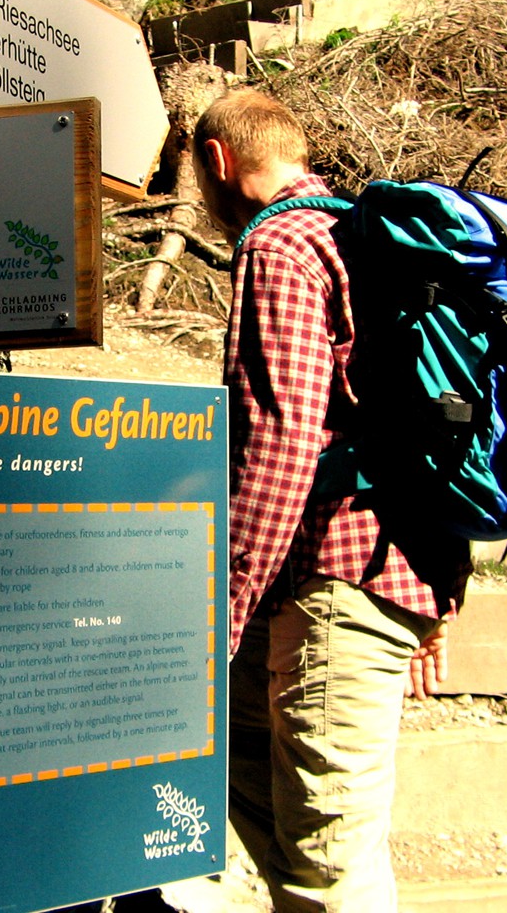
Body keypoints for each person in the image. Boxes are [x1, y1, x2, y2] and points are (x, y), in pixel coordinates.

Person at [194, 88, 463, 912]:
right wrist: (438, 592)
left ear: (216, 163)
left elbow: (280, 443)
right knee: (242, 767)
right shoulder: (365, 238)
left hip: (338, 590)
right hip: (392, 569)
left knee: (331, 868)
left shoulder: (279, 244)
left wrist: (219, 616)